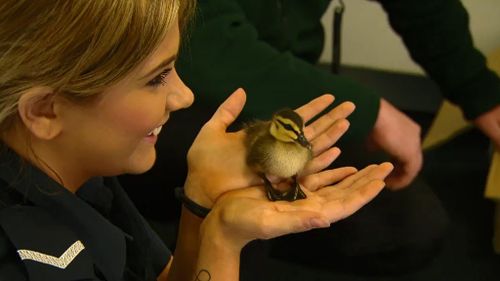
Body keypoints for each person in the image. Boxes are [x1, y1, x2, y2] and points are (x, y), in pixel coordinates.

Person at [0, 1, 394, 280]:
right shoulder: (29, 264)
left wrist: (202, 205)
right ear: (44, 111)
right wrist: (222, 246)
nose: (184, 95)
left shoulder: (72, 175)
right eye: (157, 78)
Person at [120, 0, 500, 276]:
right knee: (235, 193)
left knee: (410, 224)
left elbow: (425, 11)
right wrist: (372, 110)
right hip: (184, 100)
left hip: (278, 89)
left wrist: (478, 91)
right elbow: (204, 44)